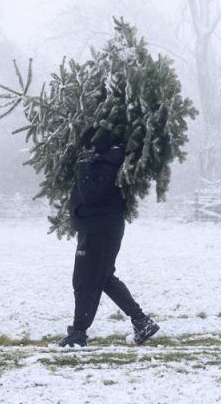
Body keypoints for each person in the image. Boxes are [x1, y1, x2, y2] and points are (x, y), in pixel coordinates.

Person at [58, 129, 159, 348]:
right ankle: (142, 321)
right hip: (95, 228)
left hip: (100, 231)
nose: (82, 151)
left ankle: (79, 332)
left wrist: (84, 166)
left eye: (85, 147)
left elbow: (91, 194)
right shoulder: (105, 161)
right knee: (103, 279)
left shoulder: (107, 164)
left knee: (85, 281)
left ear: (94, 147)